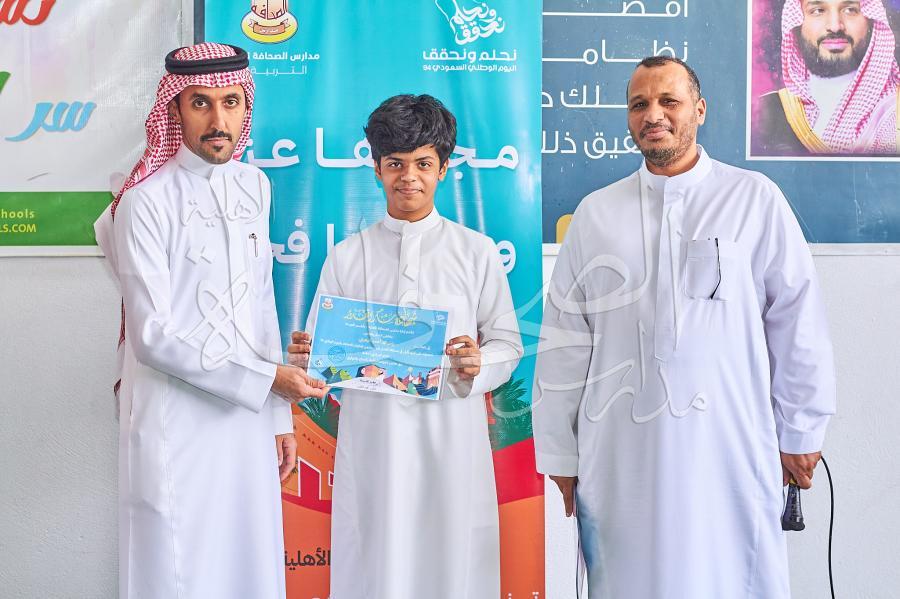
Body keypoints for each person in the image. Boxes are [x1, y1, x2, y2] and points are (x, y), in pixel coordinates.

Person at [533, 56, 836, 598]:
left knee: (728, 576)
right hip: (619, 454)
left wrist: (802, 430)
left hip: (730, 447)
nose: (653, 115)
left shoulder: (753, 199)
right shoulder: (596, 213)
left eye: (668, 101)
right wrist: (559, 451)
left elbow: (797, 322)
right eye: (639, 104)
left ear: (699, 109)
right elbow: (565, 339)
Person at [93, 42, 326, 599]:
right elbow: (151, 337)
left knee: (248, 559)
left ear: (246, 107)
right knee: (179, 565)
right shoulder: (145, 201)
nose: (218, 120)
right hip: (176, 420)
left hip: (246, 419)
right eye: (200, 103)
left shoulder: (255, 185)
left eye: (231, 102)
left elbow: (262, 306)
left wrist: (277, 418)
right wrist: (267, 381)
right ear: (175, 109)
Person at [288, 94, 523, 599]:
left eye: (423, 164)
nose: (408, 177)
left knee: (453, 562)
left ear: (443, 168)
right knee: (377, 562)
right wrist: (309, 358)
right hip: (375, 445)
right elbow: (321, 360)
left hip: (452, 440)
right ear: (376, 169)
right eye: (395, 163)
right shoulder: (346, 257)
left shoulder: (476, 252)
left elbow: (507, 343)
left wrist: (478, 364)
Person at [754, 0, 900, 155]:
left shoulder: (893, 109)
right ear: (797, 22)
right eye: (818, 10)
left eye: (850, 10)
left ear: (872, 21)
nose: (835, 26)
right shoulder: (763, 112)